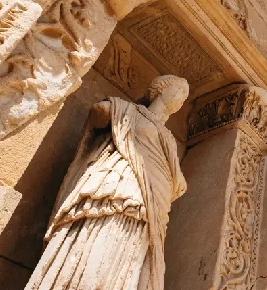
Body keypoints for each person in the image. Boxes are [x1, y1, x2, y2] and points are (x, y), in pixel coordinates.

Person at [26, 75, 189, 290]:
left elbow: (177, 182)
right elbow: (99, 112)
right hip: (120, 185)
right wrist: (116, 112)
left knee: (130, 249)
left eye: (184, 97)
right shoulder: (127, 110)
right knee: (101, 233)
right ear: (160, 89)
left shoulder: (168, 138)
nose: (180, 100)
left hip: (152, 203)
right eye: (178, 91)